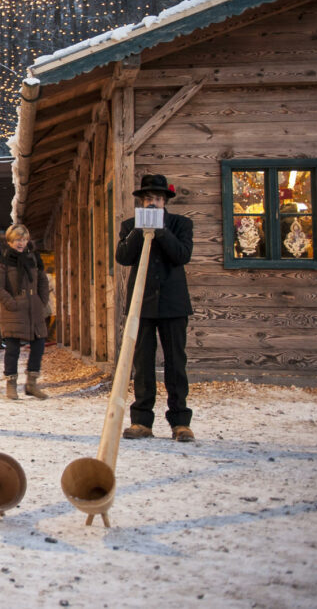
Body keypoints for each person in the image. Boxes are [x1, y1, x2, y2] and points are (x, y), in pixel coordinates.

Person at [116, 173, 195, 443]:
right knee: (142, 363)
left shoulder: (180, 224)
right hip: (143, 304)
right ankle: (141, 421)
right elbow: (123, 257)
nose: (153, 203)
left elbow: (182, 255)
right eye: (148, 199)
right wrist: (141, 229)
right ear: (141, 201)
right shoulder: (130, 226)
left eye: (158, 199)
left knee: (176, 363)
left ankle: (180, 422)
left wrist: (160, 230)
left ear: (165, 201)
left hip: (174, 304)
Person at [0, 224, 51, 400]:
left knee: (39, 345)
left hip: (34, 309)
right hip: (14, 310)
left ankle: (32, 383)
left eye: (24, 239)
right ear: (10, 241)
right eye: (18, 239)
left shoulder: (33, 257)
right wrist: (11, 303)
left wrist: (42, 301)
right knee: (12, 348)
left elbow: (42, 279)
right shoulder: (1, 260)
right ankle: (11, 384)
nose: (21, 243)